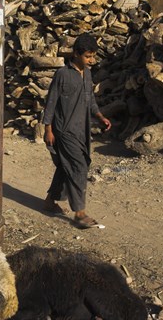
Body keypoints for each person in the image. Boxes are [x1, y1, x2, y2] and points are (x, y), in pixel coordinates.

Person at [42, 33, 111, 229]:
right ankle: (79, 213)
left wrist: (100, 117)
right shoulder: (62, 74)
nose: (92, 60)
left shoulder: (87, 74)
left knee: (66, 166)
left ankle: (49, 201)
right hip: (63, 130)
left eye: (93, 56)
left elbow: (90, 101)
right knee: (79, 167)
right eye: (88, 56)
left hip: (82, 130)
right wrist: (48, 129)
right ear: (76, 54)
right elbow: (51, 102)